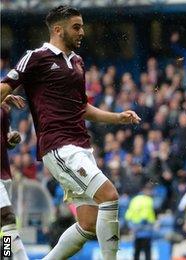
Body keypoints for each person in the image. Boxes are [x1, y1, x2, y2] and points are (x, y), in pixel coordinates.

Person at [0, 6, 141, 259]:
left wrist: (117, 118)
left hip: (78, 147)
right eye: (76, 26)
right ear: (57, 29)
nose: (82, 32)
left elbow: (81, 106)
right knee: (109, 196)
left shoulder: (77, 62)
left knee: (86, 225)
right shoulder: (36, 57)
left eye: (82, 26)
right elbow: (4, 87)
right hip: (59, 146)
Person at [0, 94, 28, 260]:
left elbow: (5, 139)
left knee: (6, 227)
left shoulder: (3, 109)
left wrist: (11, 139)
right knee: (8, 217)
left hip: (4, 171)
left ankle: (6, 256)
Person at [125, 183, 157, 260]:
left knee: (137, 251)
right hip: (146, 229)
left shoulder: (134, 199)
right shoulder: (149, 200)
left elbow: (128, 215)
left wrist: (131, 225)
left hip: (136, 229)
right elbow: (147, 215)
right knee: (147, 251)